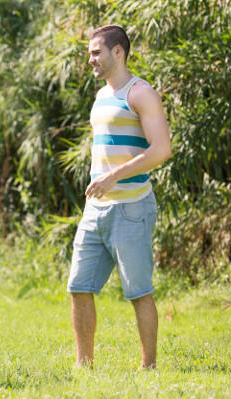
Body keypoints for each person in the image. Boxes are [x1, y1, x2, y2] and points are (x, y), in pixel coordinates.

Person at [67, 25, 172, 369]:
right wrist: (101, 180)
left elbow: (161, 150)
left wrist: (113, 176)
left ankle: (149, 366)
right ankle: (85, 364)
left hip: (132, 208)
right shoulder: (100, 96)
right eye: (89, 53)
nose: (91, 59)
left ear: (118, 52)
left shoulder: (141, 93)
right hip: (95, 209)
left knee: (138, 291)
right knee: (78, 286)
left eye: (96, 52)